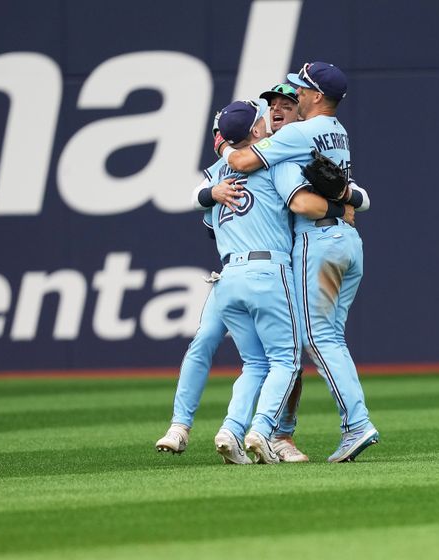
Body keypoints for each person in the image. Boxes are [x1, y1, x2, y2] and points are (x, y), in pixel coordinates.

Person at [216, 62, 378, 463]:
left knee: (316, 338)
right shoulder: (337, 132)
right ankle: (298, 432)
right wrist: (346, 205)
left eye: (299, 92)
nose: (294, 97)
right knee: (327, 338)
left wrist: (222, 141)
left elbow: (242, 164)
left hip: (317, 241)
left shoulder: (297, 135)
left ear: (316, 97)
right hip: (345, 241)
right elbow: (356, 197)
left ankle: (356, 425)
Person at [154, 85, 309, 462]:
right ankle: (261, 430)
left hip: (229, 275)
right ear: (255, 131)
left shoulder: (216, 174)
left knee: (247, 360)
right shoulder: (276, 160)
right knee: (285, 361)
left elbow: (205, 214)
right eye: (261, 116)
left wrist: (212, 189)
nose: (268, 118)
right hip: (269, 269)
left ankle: (226, 430)